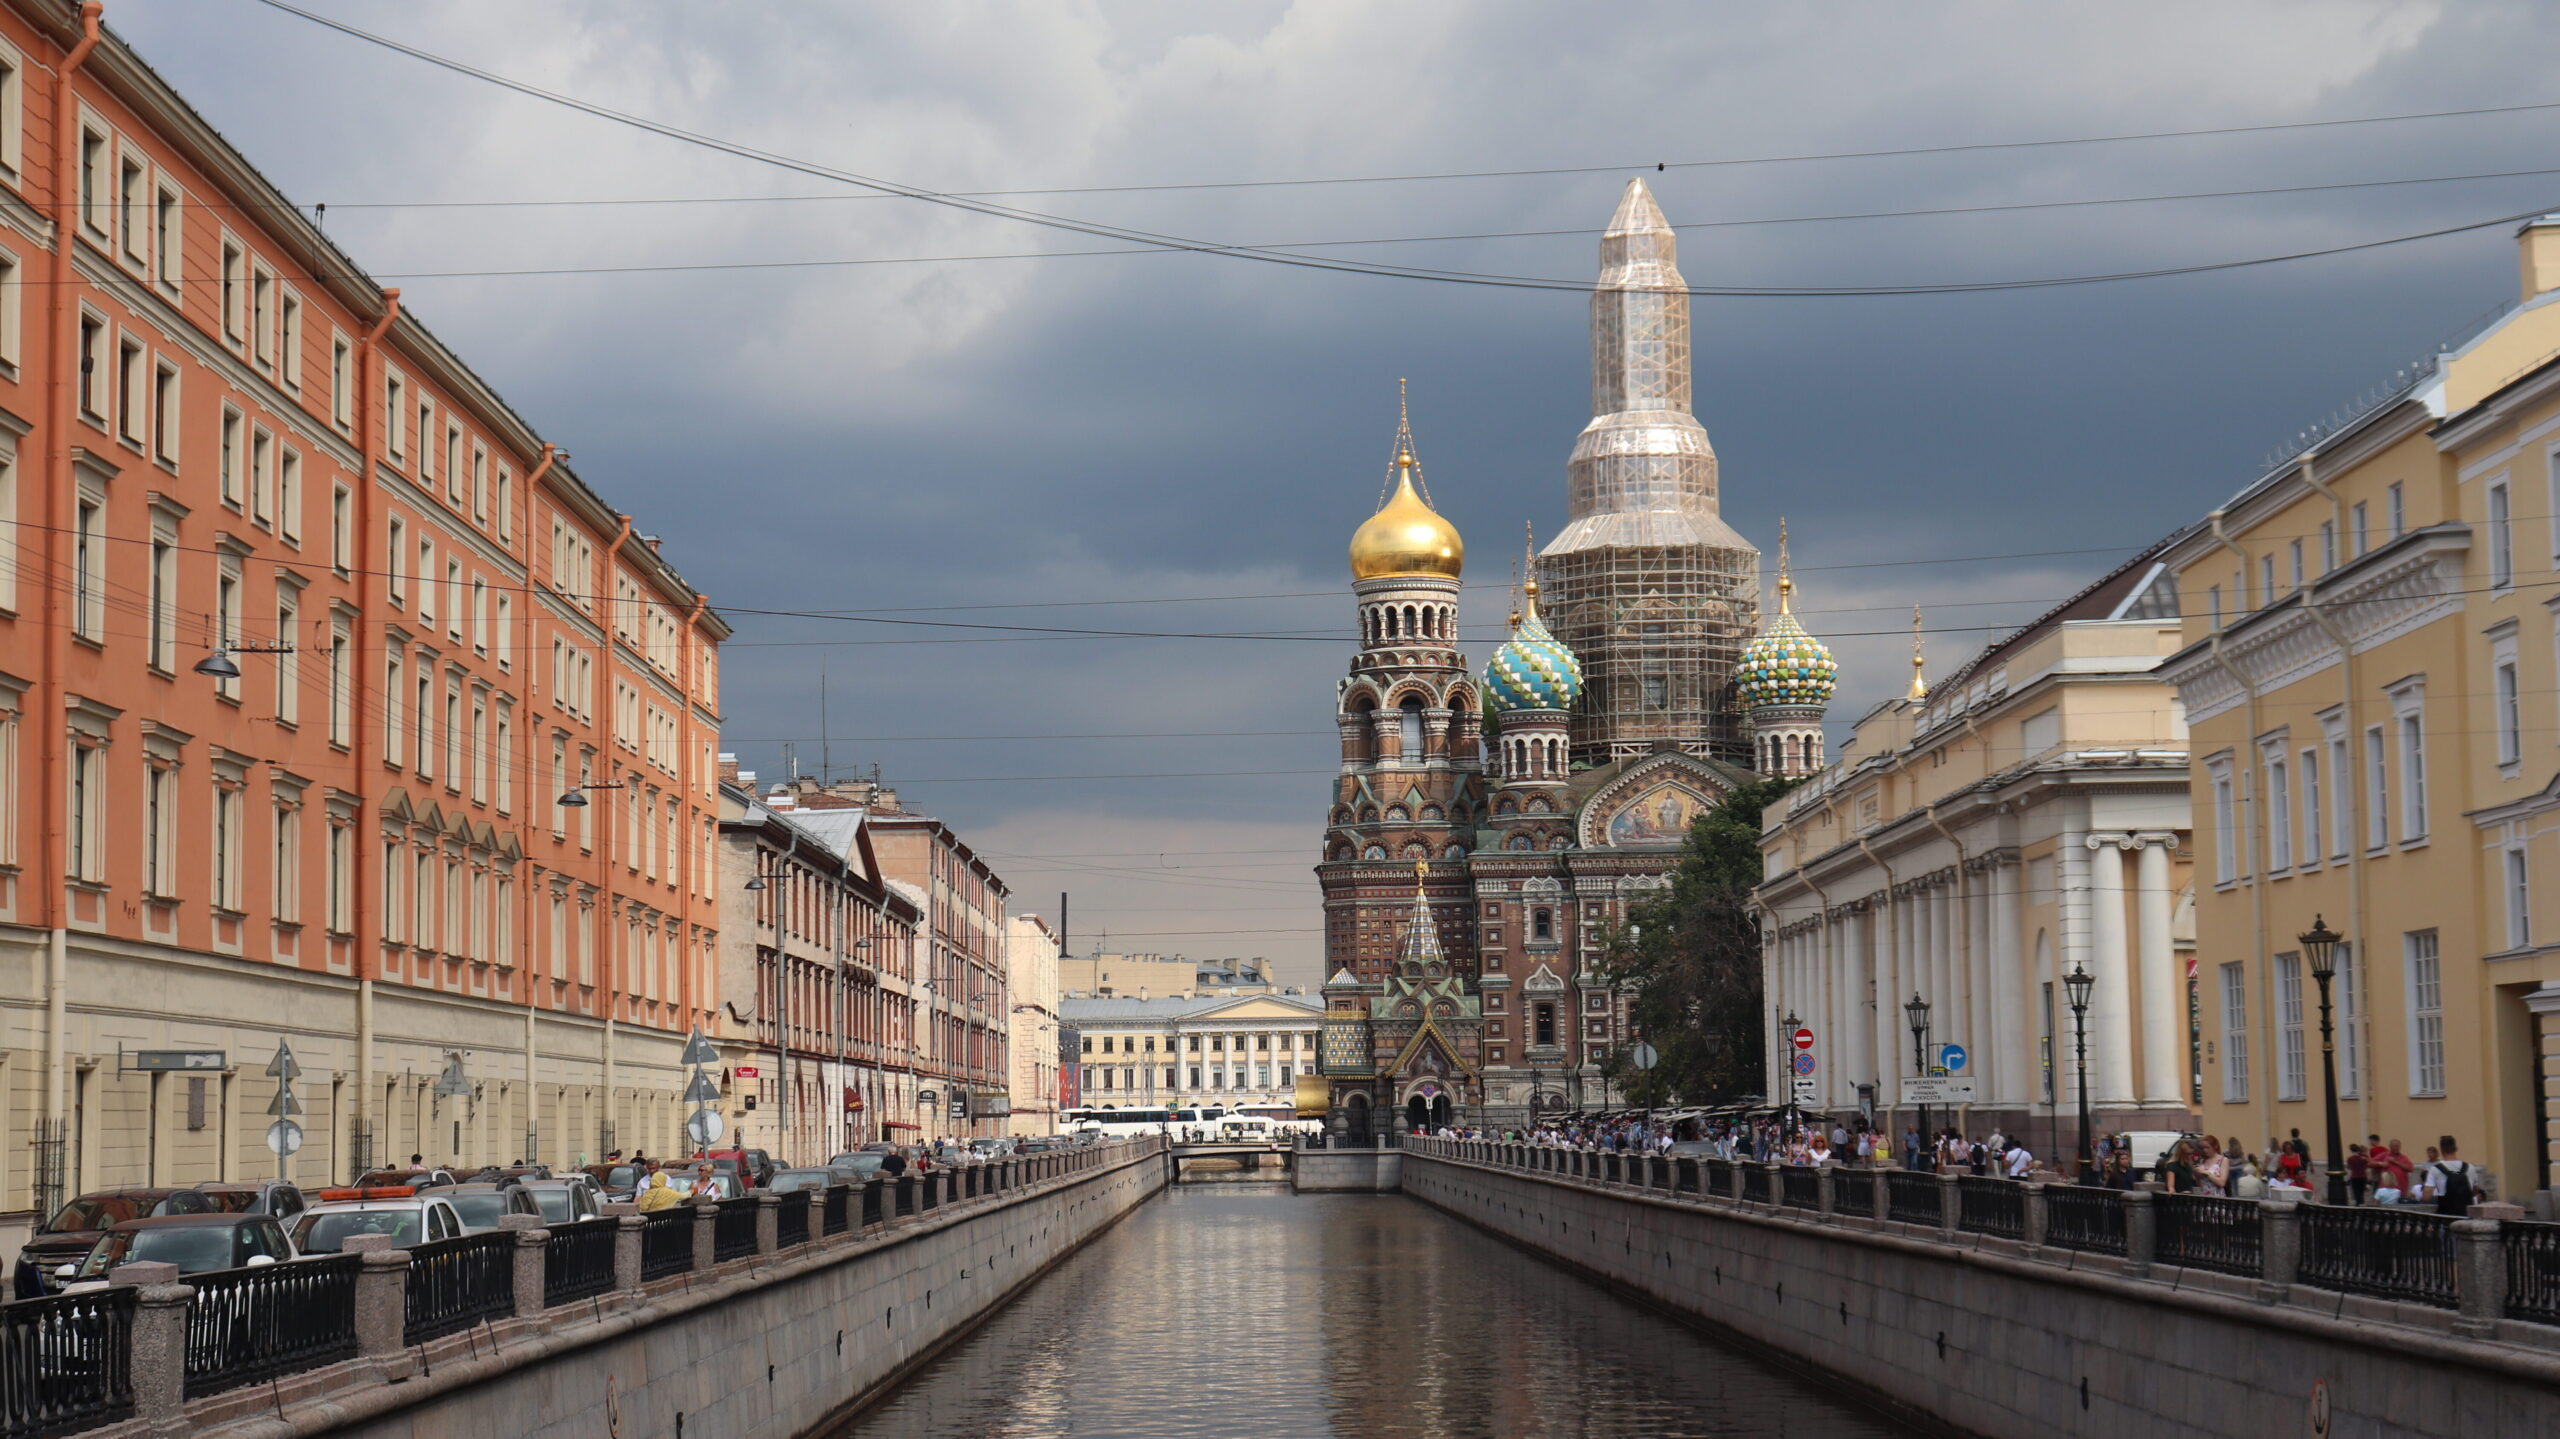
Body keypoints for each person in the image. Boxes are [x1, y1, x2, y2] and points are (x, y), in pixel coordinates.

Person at [2426, 1136, 2479, 1215]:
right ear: (2456, 1148)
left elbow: (2426, 1197)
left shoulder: (2435, 1169)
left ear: (2441, 1150)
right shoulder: (2470, 1168)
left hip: (2446, 1216)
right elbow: (2475, 1191)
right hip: (2466, 1216)